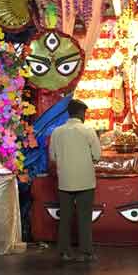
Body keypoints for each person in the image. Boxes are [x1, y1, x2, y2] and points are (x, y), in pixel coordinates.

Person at [49, 99, 102, 262]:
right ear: (80, 113)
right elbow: (97, 156)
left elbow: (52, 156)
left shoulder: (57, 132)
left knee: (65, 218)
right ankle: (86, 252)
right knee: (84, 217)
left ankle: (64, 252)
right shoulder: (88, 131)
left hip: (65, 181)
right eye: (84, 113)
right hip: (85, 181)